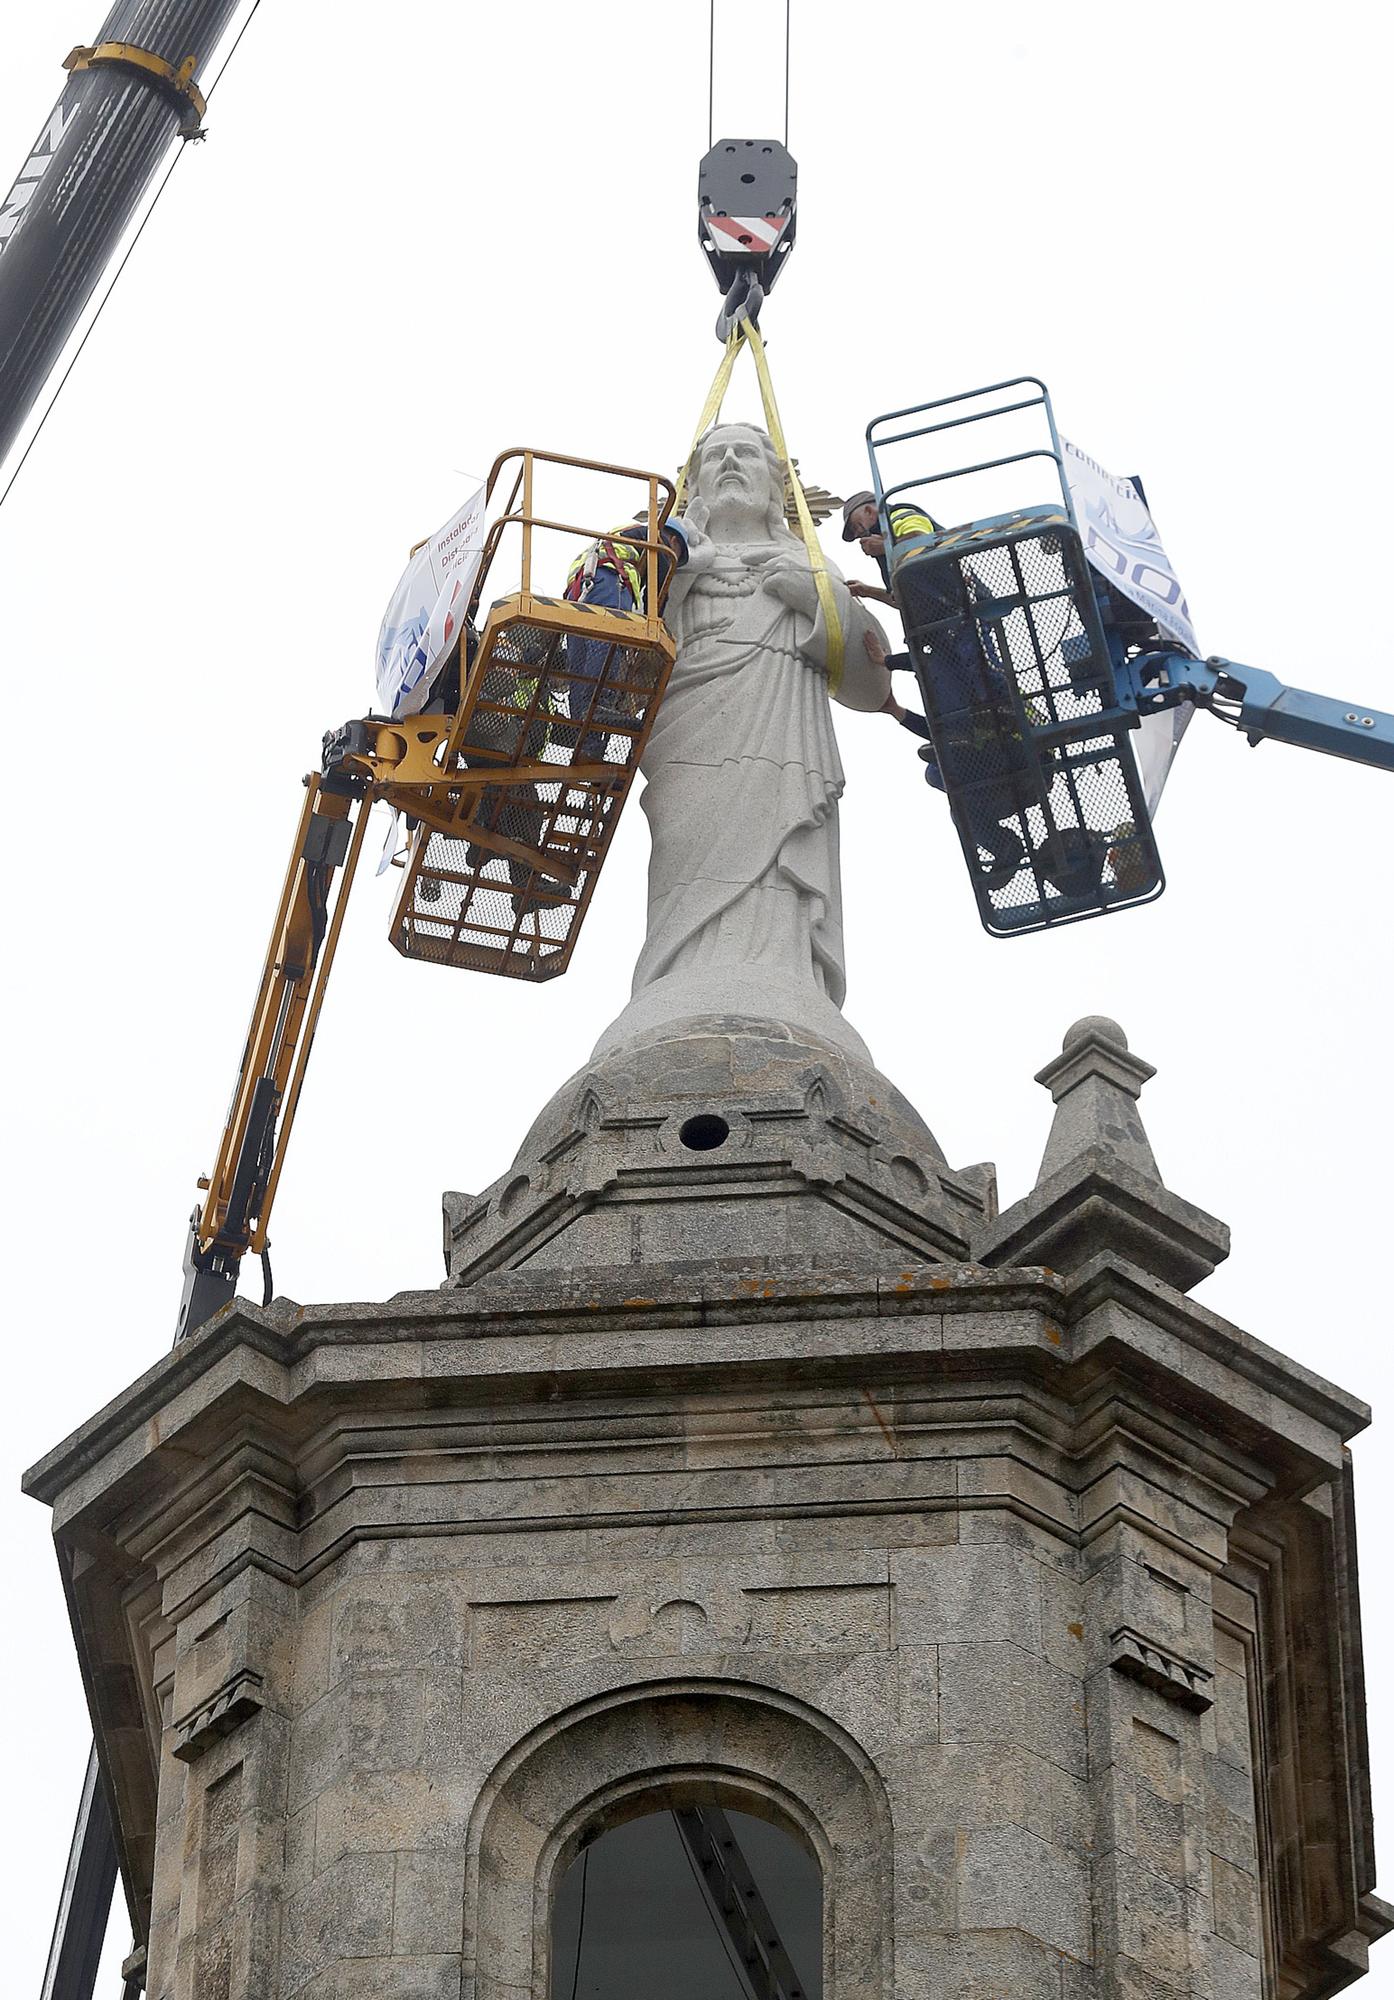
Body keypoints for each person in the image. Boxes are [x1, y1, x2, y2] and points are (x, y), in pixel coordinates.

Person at [563, 517, 691, 760]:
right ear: (673, 540)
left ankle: (586, 741)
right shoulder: (658, 539)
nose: (672, 557)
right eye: (677, 553)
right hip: (610, 581)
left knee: (578, 665)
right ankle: (598, 704)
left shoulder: (621, 535)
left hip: (579, 592)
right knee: (611, 639)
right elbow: (660, 579)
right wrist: (656, 621)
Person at [839, 490, 940, 605]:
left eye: (856, 526)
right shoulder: (885, 546)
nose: (857, 534)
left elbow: (921, 540)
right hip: (932, 612)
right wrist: (867, 591)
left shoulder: (898, 515)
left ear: (869, 511)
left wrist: (884, 546)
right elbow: (900, 601)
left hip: (950, 598)